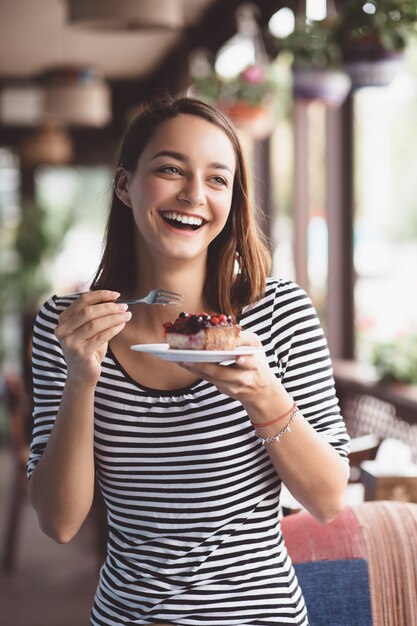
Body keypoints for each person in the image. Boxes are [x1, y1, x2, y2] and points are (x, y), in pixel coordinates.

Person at [27, 96, 350, 626]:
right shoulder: (68, 325)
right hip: (130, 616)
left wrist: (262, 392)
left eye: (217, 179)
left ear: (231, 199)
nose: (194, 195)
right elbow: (60, 524)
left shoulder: (279, 313)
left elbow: (329, 499)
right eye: (171, 169)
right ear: (125, 184)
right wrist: (82, 378)